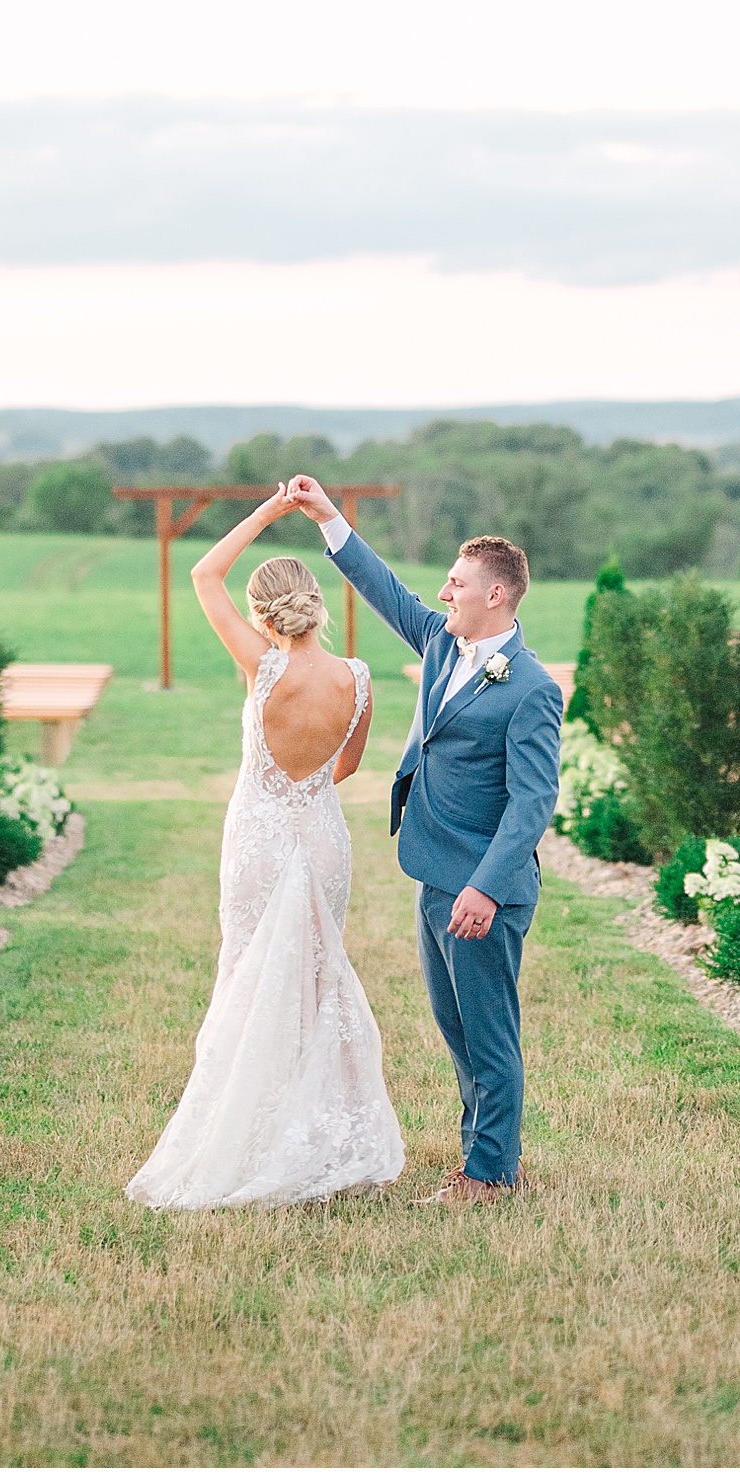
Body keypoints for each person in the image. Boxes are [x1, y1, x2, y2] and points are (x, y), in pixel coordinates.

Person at [124, 489, 405, 1208]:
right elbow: (345, 768)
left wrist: (267, 514)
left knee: (249, 978)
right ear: (314, 602)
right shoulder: (358, 678)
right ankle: (317, 1139)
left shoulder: (262, 667)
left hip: (260, 838)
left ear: (263, 614)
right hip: (322, 836)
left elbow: (202, 574)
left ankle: (248, 1137)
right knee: (315, 984)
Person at [286, 475, 561, 1207]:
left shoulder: (531, 687)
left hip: (482, 888)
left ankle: (490, 1175)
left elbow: (534, 802)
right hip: (433, 868)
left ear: (495, 595)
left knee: (490, 1034)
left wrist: (486, 887)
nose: (443, 594)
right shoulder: (445, 643)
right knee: (456, 1030)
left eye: (457, 584)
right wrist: (327, 517)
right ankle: (486, 1155)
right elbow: (387, 590)